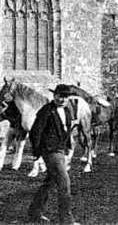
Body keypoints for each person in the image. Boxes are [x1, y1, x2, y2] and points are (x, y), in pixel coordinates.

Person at [27, 84, 80, 225]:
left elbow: (66, 130)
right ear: (54, 95)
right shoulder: (46, 111)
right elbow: (35, 133)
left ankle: (35, 211)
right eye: (59, 96)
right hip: (50, 151)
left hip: (61, 150)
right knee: (64, 183)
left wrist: (68, 146)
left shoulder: (68, 111)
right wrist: (37, 154)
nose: (62, 99)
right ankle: (67, 219)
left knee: (50, 182)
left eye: (65, 97)